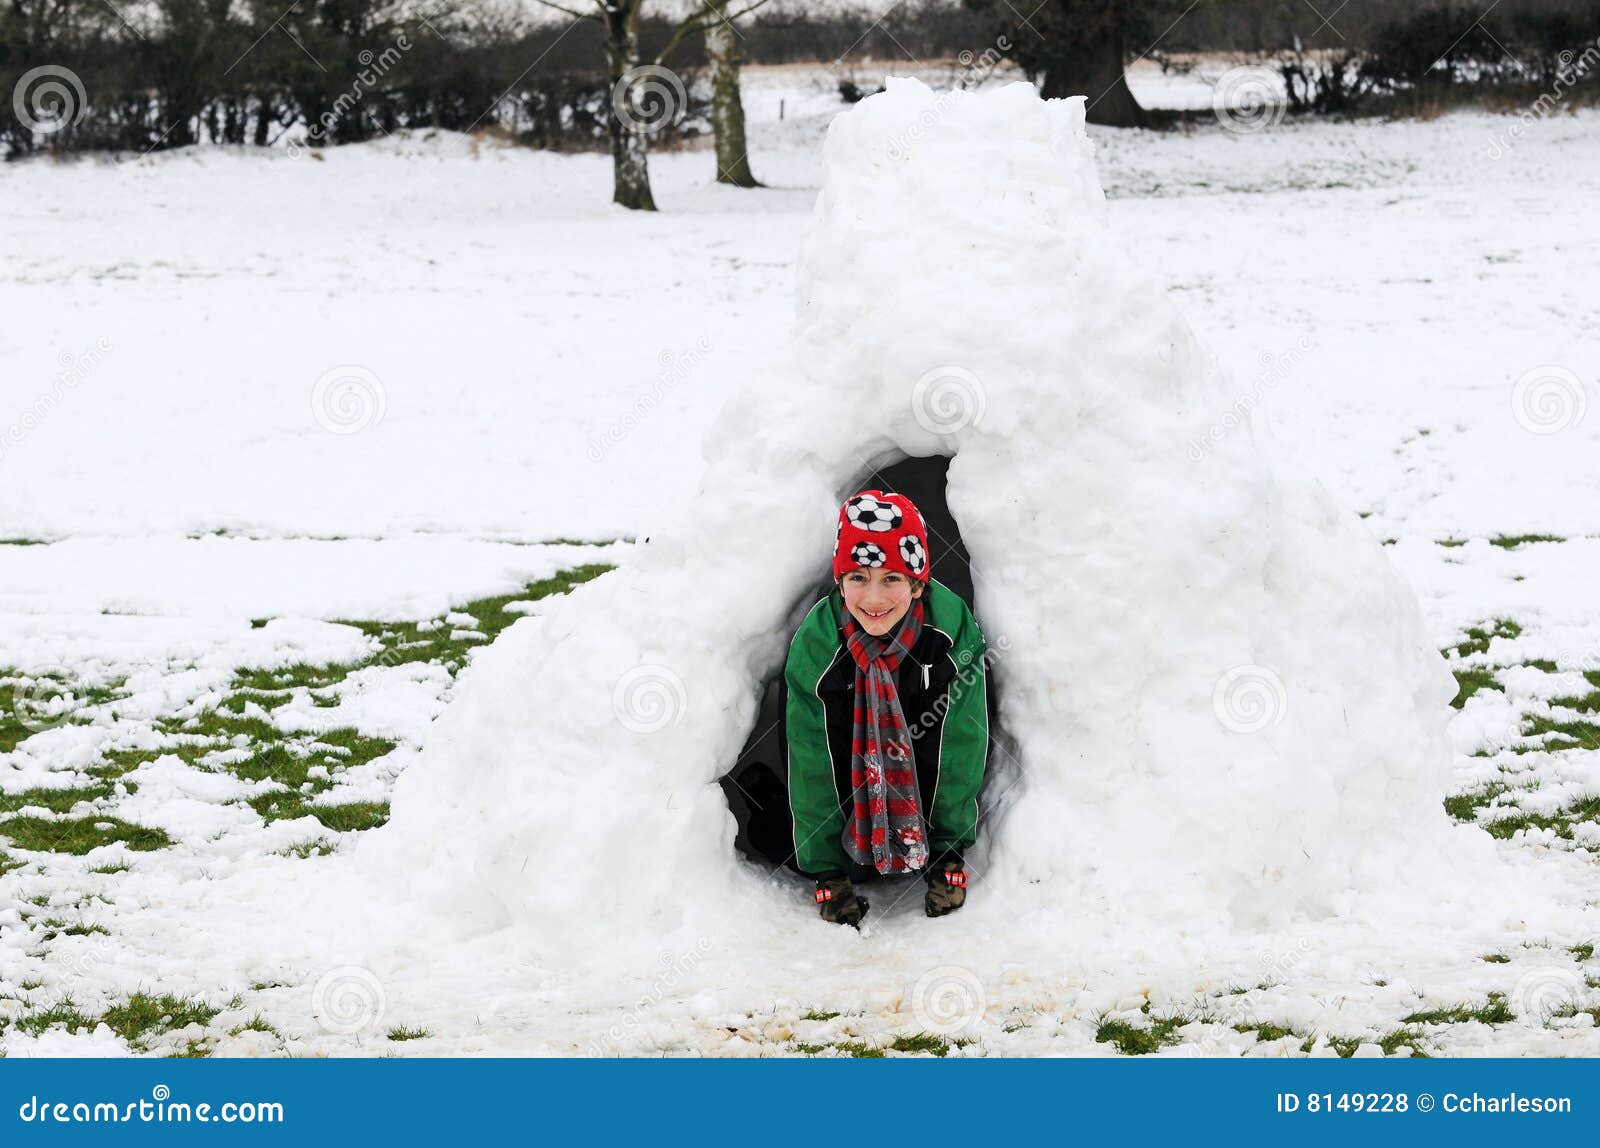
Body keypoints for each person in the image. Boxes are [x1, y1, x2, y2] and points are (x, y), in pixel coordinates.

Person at [782, 489, 990, 927]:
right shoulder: (819, 646)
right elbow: (811, 762)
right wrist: (826, 871)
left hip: (924, 740)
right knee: (831, 757)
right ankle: (838, 861)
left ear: (918, 584)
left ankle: (941, 851)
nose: (873, 599)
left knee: (940, 742)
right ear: (838, 582)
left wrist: (952, 844)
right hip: (851, 757)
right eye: (857, 577)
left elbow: (962, 743)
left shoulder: (948, 631)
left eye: (891, 578)